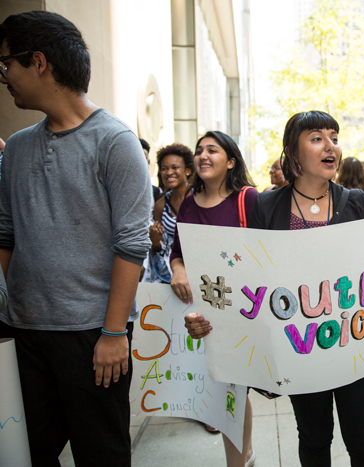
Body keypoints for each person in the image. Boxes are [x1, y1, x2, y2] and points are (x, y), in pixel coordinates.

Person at [185, 110, 364, 467]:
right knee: (314, 439)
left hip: (354, 343)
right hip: (299, 349)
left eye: (334, 136)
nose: (330, 145)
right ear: (293, 154)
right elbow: (249, 281)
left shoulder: (355, 202)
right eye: (317, 138)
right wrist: (210, 317)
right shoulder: (268, 206)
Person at [0, 11, 152, 465]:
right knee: (24, 453)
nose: (4, 76)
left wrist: (112, 333)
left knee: (100, 454)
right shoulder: (19, 146)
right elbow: (5, 233)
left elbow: (132, 245)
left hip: (91, 337)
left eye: (7, 64)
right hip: (22, 334)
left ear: (39, 62)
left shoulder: (115, 141)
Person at [169, 131, 257, 467]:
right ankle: (244, 453)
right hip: (202, 315)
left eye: (212, 150)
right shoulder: (189, 203)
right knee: (225, 390)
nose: (203, 156)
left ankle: (237, 459)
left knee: (234, 390)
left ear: (230, 161)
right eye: (199, 151)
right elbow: (177, 252)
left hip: (241, 312)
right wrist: (179, 270)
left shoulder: (248, 199)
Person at [144, 143, 194, 284]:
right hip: (174, 274)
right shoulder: (160, 205)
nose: (168, 172)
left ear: (188, 170)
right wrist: (155, 242)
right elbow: (161, 247)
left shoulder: (200, 197)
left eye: (175, 167)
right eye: (164, 169)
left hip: (200, 268)